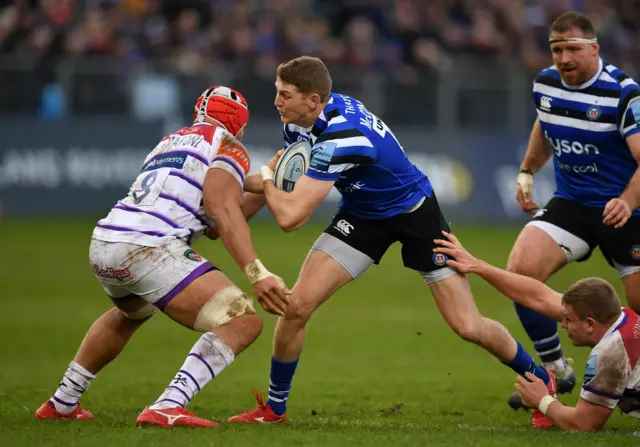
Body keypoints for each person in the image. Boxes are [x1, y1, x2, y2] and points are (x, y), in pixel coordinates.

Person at [229, 55, 555, 428]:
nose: (277, 102)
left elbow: (289, 216)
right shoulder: (300, 121)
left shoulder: (342, 137)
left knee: (468, 325)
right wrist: (227, 187)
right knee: (297, 308)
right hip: (363, 215)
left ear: (314, 100)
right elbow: (282, 178)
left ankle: (542, 379)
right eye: (277, 92)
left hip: (416, 214)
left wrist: (258, 179)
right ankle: (275, 408)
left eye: (285, 95)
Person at [34, 86, 290, 428]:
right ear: (239, 125)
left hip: (106, 241)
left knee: (132, 313)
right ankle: (169, 404)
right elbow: (222, 208)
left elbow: (214, 222)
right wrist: (257, 272)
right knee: (243, 321)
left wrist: (268, 184)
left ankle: (62, 401)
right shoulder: (230, 146)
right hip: (148, 247)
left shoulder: (170, 141)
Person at [507, 10, 640, 405]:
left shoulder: (624, 93)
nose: (563, 59)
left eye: (572, 50)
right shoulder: (546, 83)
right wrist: (528, 170)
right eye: (556, 49)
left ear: (595, 49)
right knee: (520, 272)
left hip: (627, 210)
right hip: (574, 203)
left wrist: (628, 200)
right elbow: (545, 124)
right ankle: (555, 370)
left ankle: (632, 382)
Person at [434, 231, 640, 431]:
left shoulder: (611, 353)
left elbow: (583, 424)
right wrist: (478, 266)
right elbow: (538, 295)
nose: (563, 325)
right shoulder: (622, 317)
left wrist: (542, 400)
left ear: (589, 324)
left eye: (568, 320)